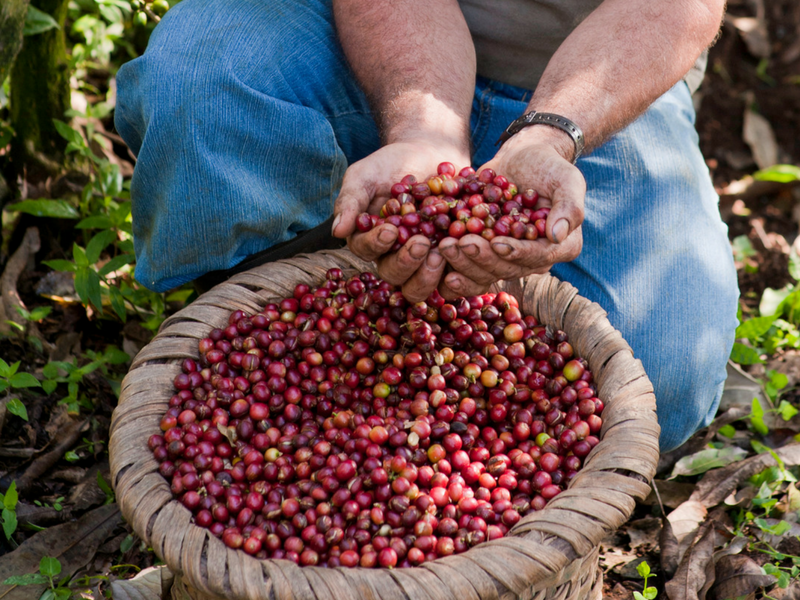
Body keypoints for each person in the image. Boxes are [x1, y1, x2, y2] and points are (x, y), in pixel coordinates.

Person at [114, 0, 739, 452]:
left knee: (661, 382)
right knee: (196, 86)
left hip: (601, 72)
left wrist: (551, 135)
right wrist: (423, 131)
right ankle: (282, 301)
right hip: (368, 31)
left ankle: (371, 295)